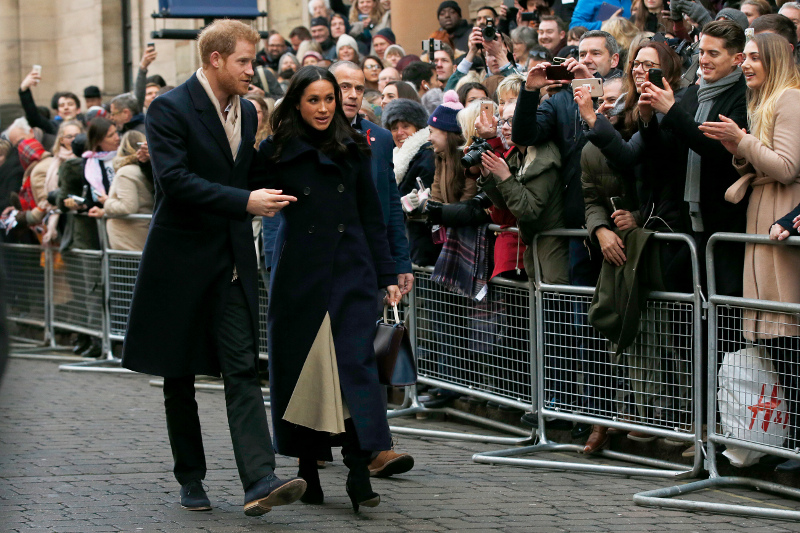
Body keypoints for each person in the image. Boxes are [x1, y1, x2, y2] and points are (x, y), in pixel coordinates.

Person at [121, 19, 307, 515]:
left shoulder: (248, 110)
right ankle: (191, 477)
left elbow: (251, 170)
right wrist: (245, 201)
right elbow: (176, 182)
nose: (253, 69)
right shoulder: (168, 108)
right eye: (245, 60)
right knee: (177, 375)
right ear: (215, 59)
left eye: (254, 60)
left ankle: (259, 480)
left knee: (242, 368)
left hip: (230, 264)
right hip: (178, 263)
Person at [251, 65, 401, 511]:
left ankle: (358, 469)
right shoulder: (274, 151)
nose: (323, 108)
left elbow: (372, 215)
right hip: (300, 277)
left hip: (351, 273)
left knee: (356, 372)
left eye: (329, 99)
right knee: (304, 375)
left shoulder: (355, 147)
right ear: (297, 102)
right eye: (313, 99)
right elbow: (244, 193)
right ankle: (307, 470)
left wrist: (388, 275)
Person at [699, 32, 800, 472]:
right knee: (776, 346)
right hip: (761, 218)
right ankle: (787, 446)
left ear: (776, 60)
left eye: (756, 57)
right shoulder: (765, 102)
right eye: (746, 57)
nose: (746, 64)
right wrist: (737, 148)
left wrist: (743, 142)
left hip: (780, 223)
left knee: (789, 343)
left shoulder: (790, 99)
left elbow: (787, 167)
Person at [329, 61, 416, 477]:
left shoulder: (379, 138)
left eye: (358, 88)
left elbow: (389, 207)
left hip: (368, 264)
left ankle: (377, 448)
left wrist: (399, 265)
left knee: (366, 354)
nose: (350, 94)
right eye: (342, 86)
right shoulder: (307, 136)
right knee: (325, 360)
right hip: (321, 265)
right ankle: (322, 444)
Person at [639, 19, 748, 298]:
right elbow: (664, 154)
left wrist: (672, 110)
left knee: (723, 316)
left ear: (737, 59)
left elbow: (718, 151)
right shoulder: (691, 95)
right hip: (685, 223)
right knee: (686, 317)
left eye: (714, 53)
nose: (704, 60)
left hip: (726, 224)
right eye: (702, 52)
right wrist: (649, 118)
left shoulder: (744, 98)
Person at [382, 98, 439, 266]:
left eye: (405, 126)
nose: (400, 132)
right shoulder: (394, 156)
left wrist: (404, 203)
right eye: (394, 128)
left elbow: (425, 195)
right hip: (406, 243)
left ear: (418, 127)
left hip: (424, 245)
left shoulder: (426, 155)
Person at [87, 130, 153, 251]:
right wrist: (103, 211)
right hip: (139, 235)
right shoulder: (142, 169)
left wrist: (107, 202)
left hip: (130, 239)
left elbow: (127, 207)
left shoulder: (126, 172)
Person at [18, 70, 81, 137]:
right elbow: (33, 115)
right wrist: (24, 90)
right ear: (58, 111)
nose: (66, 108)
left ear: (78, 109)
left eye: (70, 104)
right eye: (62, 105)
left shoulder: (87, 126)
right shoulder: (53, 127)